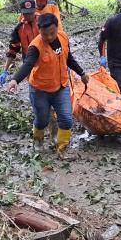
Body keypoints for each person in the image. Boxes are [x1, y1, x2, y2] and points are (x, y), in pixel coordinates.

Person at [6, 13, 89, 159]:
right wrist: (15, 80)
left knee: (66, 119)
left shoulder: (63, 38)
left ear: (57, 28)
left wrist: (82, 73)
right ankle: (38, 141)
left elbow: (68, 58)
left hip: (61, 87)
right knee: (42, 120)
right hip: (40, 90)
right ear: (39, 32)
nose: (49, 37)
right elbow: (27, 65)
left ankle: (62, 149)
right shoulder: (35, 46)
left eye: (52, 33)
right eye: (45, 34)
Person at [0, 0, 39, 85]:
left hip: (45, 60)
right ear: (22, 13)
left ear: (35, 10)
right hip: (28, 63)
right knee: (33, 86)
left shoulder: (43, 23)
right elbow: (13, 50)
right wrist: (5, 70)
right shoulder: (19, 29)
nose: (28, 16)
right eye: (25, 14)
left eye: (31, 13)